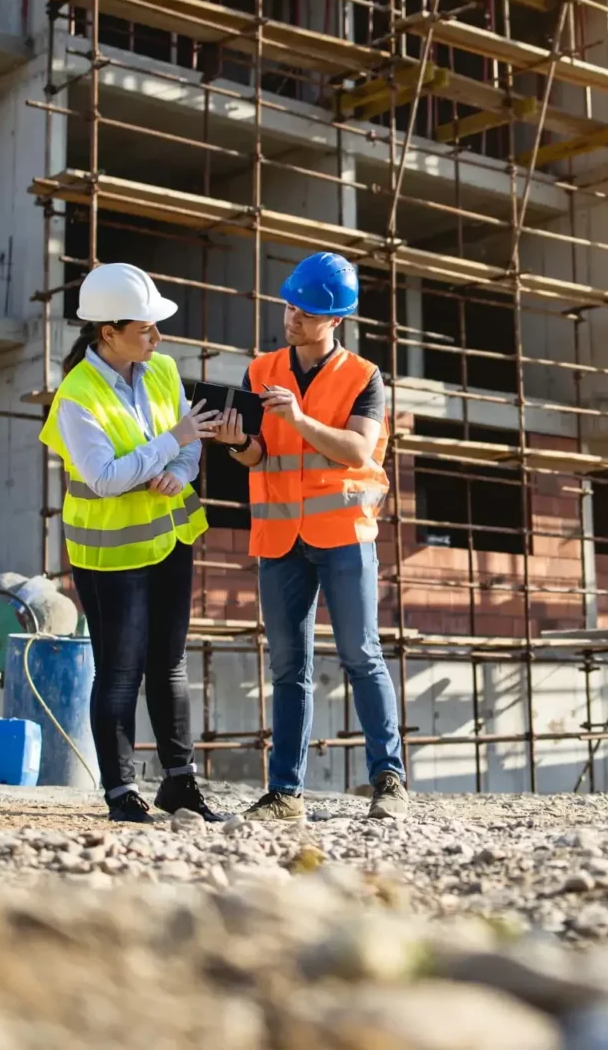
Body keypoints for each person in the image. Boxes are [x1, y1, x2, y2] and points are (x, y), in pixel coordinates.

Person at [213, 251, 409, 822]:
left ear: (335, 319)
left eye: (306, 309)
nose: (292, 316)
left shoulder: (363, 377)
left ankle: (389, 781)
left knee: (361, 656)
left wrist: (298, 418)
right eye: (290, 304)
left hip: (343, 534)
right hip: (280, 540)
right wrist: (233, 442)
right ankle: (284, 794)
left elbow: (356, 448)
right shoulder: (260, 370)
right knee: (287, 668)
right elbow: (258, 456)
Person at [38, 262, 224, 825]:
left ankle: (178, 782)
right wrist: (174, 442)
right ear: (108, 332)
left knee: (168, 666)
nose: (157, 337)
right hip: (110, 553)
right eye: (146, 328)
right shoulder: (77, 395)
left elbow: (191, 440)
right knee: (119, 671)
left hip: (169, 538)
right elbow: (103, 476)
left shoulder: (162, 370)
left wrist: (183, 467)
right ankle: (121, 792)